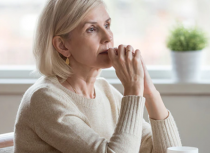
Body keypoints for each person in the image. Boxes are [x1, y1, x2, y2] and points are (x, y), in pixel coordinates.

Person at [13, 0, 182, 152]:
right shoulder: (44, 98)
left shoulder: (105, 91)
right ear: (62, 45)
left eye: (107, 25)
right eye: (92, 29)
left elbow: (169, 151)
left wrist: (148, 91)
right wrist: (132, 91)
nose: (108, 37)